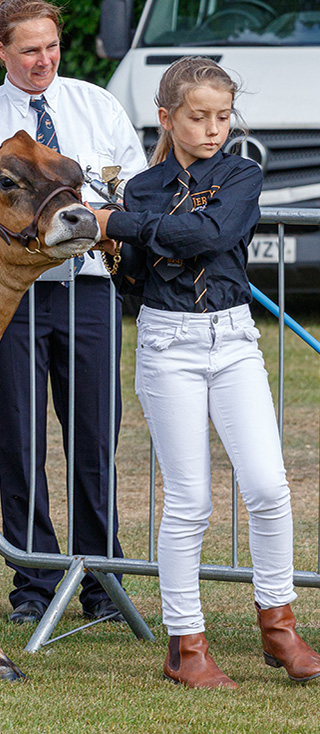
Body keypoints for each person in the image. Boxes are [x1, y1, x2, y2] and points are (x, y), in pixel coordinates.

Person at [95, 56, 320, 688]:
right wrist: (116, 245)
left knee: (269, 487)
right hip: (168, 344)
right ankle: (185, 643)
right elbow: (137, 272)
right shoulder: (140, 186)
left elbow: (210, 233)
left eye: (223, 116)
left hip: (234, 339)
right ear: (166, 118)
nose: (214, 128)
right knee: (189, 500)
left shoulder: (241, 175)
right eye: (198, 117)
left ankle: (280, 627)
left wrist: (125, 224)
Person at [0, 0, 147, 625]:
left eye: (51, 47)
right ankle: (33, 580)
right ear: (1, 50)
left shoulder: (98, 106)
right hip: (14, 300)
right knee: (20, 438)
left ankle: (100, 579)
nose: (43, 60)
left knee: (93, 436)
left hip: (89, 290)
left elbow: (132, 187)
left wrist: (111, 220)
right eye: (29, 50)